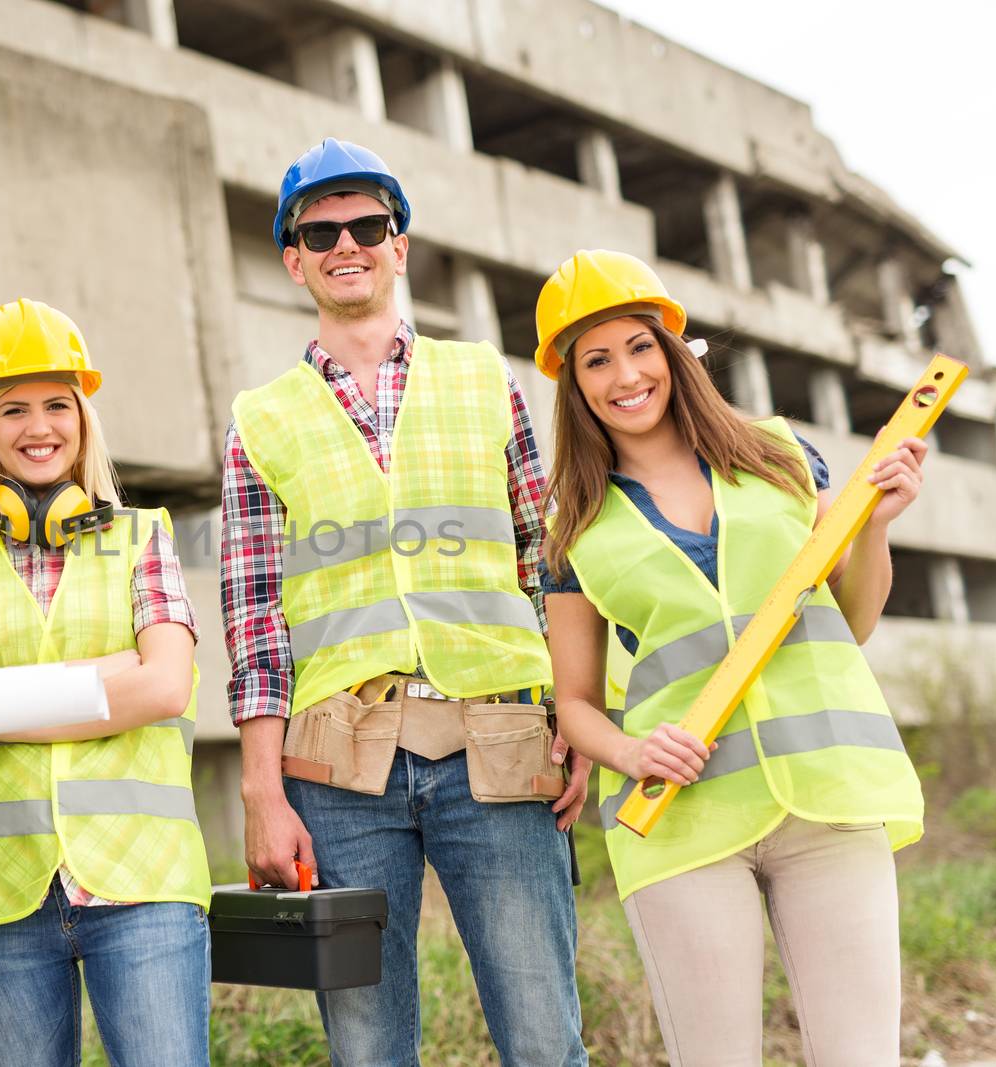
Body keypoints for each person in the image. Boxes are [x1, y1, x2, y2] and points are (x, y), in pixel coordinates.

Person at [219, 138, 590, 1066]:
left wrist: (576, 715)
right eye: (321, 230)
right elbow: (255, 616)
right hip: (338, 770)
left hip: (497, 744)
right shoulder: (260, 419)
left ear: (401, 244)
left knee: (544, 1034)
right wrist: (263, 789)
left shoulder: (485, 380)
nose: (348, 243)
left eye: (368, 224)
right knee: (368, 1046)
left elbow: (544, 568)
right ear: (294, 257)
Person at [537, 249, 927, 1066]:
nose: (625, 375)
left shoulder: (780, 456)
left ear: (674, 352)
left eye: (639, 347)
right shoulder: (574, 527)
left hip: (827, 797)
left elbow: (849, 622)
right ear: (573, 385)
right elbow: (573, 701)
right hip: (683, 820)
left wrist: (877, 526)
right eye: (596, 361)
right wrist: (633, 750)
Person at [0, 298, 210, 1067]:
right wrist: (103, 675)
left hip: (142, 880)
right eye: (13, 409)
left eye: (58, 404)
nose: (39, 427)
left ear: (84, 417)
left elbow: (164, 687)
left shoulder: (143, 535)